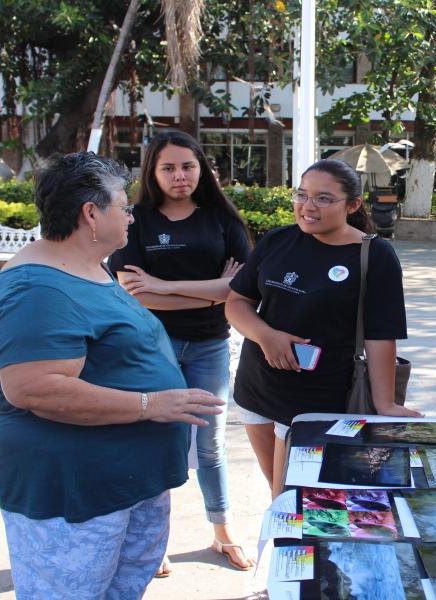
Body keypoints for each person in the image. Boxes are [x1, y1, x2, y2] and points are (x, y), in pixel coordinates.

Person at [0, 152, 224, 598]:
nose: (130, 215)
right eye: (122, 205)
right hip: (76, 486)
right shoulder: (38, 288)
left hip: (119, 479)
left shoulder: (85, 266)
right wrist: (152, 404)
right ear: (90, 214)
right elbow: (34, 388)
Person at [226, 159, 422, 498]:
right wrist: (266, 336)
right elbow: (237, 301)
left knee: (293, 498)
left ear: (353, 204)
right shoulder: (277, 240)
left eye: (323, 198)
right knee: (278, 492)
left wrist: (385, 403)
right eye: (301, 195)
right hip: (256, 386)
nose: (307, 206)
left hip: (315, 399)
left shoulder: (374, 255)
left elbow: (380, 334)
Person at [109, 131, 254, 575]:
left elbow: (242, 284)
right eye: (168, 167)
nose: (179, 176)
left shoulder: (220, 219)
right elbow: (135, 294)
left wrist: (166, 285)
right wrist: (212, 292)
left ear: (202, 169)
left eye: (187, 166)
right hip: (155, 347)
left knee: (210, 443)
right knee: (159, 440)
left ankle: (223, 531)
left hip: (211, 343)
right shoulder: (137, 220)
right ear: (153, 172)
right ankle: (156, 539)